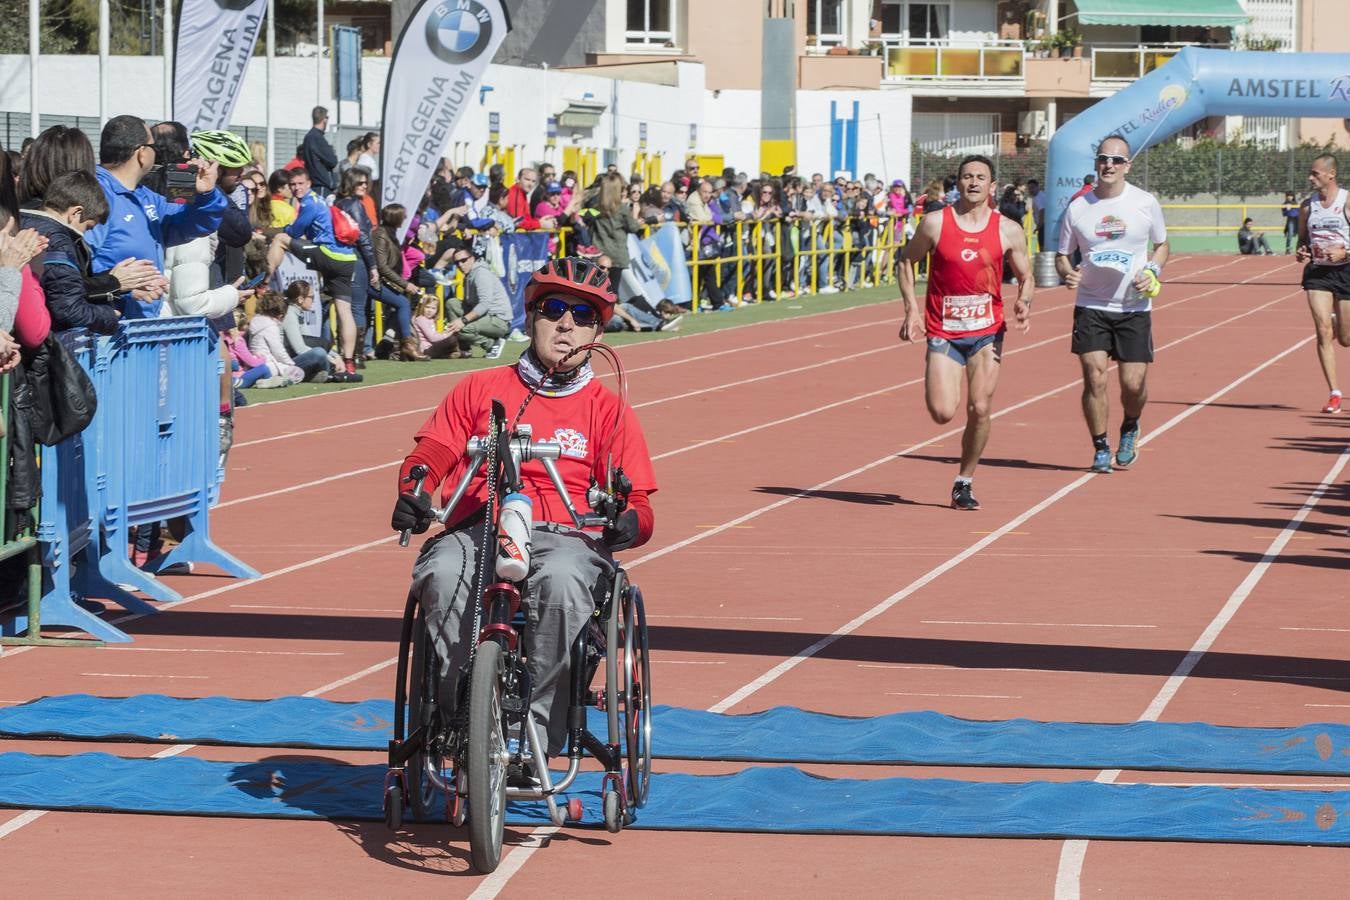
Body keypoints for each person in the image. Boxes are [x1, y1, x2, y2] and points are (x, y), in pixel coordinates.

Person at [391, 255, 657, 764]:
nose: (566, 325)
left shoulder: (609, 409)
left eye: (582, 317)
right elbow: (431, 456)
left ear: (597, 333)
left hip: (566, 537)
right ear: (531, 317)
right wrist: (416, 493)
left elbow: (640, 506)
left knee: (560, 579)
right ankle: (461, 717)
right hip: (478, 526)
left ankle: (535, 734)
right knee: (443, 571)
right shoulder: (478, 389)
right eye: (554, 309)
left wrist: (628, 521)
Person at [898, 154, 1033, 510]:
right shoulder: (934, 223)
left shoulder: (1008, 229)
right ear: (957, 183)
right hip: (944, 329)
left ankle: (964, 480)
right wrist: (912, 309)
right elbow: (905, 260)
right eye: (967, 176)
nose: (973, 182)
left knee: (980, 405)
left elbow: (1026, 275)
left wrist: (1024, 300)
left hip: (987, 331)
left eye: (980, 177)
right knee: (942, 412)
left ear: (991, 187)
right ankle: (939, 364)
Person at [1056, 134, 1169, 472]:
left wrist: (1152, 269)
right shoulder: (1078, 208)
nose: (1109, 165)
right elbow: (1062, 256)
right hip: (1091, 305)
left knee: (1132, 385)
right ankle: (1100, 445)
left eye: (1117, 160)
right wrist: (1067, 273)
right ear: (1096, 163)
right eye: (1104, 158)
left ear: (1127, 166)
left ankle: (1131, 425)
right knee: (1095, 377)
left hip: (1133, 307)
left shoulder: (1145, 203)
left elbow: (1162, 245)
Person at [86, 114, 225, 320]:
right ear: (142, 153)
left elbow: (188, 225)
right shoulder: (95, 193)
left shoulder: (144, 196)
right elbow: (76, 264)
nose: (157, 153)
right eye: (153, 147)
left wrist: (205, 194)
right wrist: (117, 286)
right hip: (104, 329)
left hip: (141, 325)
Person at [1295, 153, 1350, 414]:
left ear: (1331, 174)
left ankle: (1341, 324)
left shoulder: (1347, 201)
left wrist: (1345, 254)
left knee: (1346, 339)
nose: (1310, 178)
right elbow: (1302, 240)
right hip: (1318, 273)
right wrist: (1302, 251)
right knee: (1322, 330)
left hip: (1346, 271)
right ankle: (1334, 393)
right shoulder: (1307, 206)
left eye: (1315, 173)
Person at [443, 238, 512, 359]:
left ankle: (492, 344)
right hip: (486, 316)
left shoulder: (480, 273)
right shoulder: (469, 275)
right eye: (457, 262)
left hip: (499, 320)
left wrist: (462, 321)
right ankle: (464, 347)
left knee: (463, 329)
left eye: (463, 260)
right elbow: (470, 304)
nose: (460, 264)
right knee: (451, 303)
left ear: (472, 258)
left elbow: (484, 305)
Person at [298, 105, 337, 196]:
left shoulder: (309, 137)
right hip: (321, 185)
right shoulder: (316, 137)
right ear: (324, 119)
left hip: (315, 184)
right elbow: (332, 161)